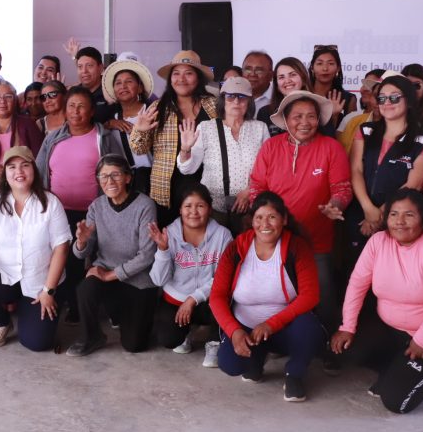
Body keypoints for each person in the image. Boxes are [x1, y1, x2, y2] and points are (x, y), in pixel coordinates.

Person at [248, 90, 351, 372]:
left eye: (311, 116)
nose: (304, 122)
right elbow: (257, 185)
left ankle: (332, 346)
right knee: (280, 295)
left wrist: (335, 204)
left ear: (319, 119)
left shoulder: (331, 148)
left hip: (318, 240)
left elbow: (342, 187)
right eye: (297, 116)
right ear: (285, 120)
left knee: (325, 295)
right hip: (275, 241)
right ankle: (282, 344)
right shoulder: (270, 147)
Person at [331, 189, 423, 413]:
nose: (399, 221)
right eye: (393, 214)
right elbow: (357, 285)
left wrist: (422, 339)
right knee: (348, 349)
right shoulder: (378, 242)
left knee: (395, 402)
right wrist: (347, 327)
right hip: (393, 330)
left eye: (409, 215)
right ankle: (403, 370)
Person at [210, 191, 324, 402]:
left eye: (272, 216)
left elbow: (310, 296)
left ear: (284, 220)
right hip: (247, 330)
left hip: (285, 329)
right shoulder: (235, 248)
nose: (266, 223)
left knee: (309, 328)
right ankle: (257, 359)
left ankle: (295, 373)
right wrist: (234, 332)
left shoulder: (296, 247)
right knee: (230, 364)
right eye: (259, 217)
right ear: (251, 221)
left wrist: (271, 325)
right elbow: (216, 296)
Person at [0, 146, 71, 350]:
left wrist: (49, 291)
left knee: (38, 343)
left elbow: (62, 248)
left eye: (25, 165)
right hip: (3, 275)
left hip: (39, 280)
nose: (19, 172)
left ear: (34, 168)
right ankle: (3, 322)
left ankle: (33, 315)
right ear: (5, 173)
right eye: (12, 167)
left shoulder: (51, 202)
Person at [36, 86, 124, 322]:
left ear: (92, 110)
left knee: (100, 258)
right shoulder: (52, 138)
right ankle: (74, 307)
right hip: (60, 212)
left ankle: (109, 309)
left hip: (96, 212)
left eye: (81, 106)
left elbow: (119, 170)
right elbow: (40, 172)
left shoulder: (104, 138)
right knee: (69, 260)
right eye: (71, 106)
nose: (76, 111)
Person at [66, 154, 158, 356]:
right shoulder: (96, 206)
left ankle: (129, 317)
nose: (109, 181)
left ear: (128, 177)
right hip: (106, 271)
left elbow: (147, 255)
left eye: (115, 175)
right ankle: (92, 337)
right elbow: (81, 254)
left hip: (138, 279)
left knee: (135, 345)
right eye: (104, 176)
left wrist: (109, 275)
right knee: (85, 288)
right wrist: (81, 242)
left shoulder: (145, 206)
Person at [346, 74, 423, 266]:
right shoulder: (365, 130)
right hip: (360, 214)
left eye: (394, 97)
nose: (387, 103)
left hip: (398, 221)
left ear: (409, 101)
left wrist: (380, 214)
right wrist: (369, 209)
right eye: (382, 98)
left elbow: (413, 184)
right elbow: (355, 170)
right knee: (355, 274)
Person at [129, 50, 219, 225]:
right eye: (176, 74)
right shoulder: (158, 107)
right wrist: (140, 130)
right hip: (167, 189)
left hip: (208, 186)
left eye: (189, 73)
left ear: (199, 77)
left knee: (205, 243)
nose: (181, 79)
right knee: (169, 243)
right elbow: (138, 149)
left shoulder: (213, 105)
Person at [149, 183, 232, 366]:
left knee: (224, 301)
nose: (194, 211)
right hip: (175, 299)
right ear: (180, 209)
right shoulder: (168, 234)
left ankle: (214, 342)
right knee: (168, 340)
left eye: (200, 206)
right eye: (188, 206)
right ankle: (185, 332)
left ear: (209, 209)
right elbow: (158, 280)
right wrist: (163, 250)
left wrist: (193, 298)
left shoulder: (222, 236)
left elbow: (223, 278)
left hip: (208, 300)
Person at [176, 76, 270, 232]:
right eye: (231, 96)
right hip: (214, 208)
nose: (236, 101)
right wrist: (185, 149)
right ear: (223, 100)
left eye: (242, 97)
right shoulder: (206, 128)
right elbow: (188, 169)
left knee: (244, 252)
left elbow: (268, 168)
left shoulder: (260, 128)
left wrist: (250, 191)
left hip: (249, 207)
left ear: (249, 101)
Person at [100, 59, 156, 193]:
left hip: (154, 179)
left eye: (129, 81)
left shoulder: (152, 112)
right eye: (118, 83)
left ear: (140, 88)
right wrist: (108, 124)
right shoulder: (111, 118)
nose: (123, 86)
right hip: (124, 182)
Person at [256, 57, 313, 137]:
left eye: (292, 75)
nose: (287, 81)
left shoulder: (318, 108)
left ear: (303, 79)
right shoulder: (265, 113)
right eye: (281, 77)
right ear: (277, 85)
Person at [337, 69, 385, 153]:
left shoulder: (406, 128)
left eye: (381, 96)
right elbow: (338, 152)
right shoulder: (353, 121)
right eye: (376, 95)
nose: (364, 89)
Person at [308, 45, 356, 123]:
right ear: (312, 68)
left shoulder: (348, 99)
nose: (325, 68)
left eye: (330, 63)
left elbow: (350, 132)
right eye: (320, 63)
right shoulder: (302, 94)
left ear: (338, 68)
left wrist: (334, 116)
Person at [74, 46, 107, 112]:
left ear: (100, 68)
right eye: (80, 67)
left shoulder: (110, 94)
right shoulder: (73, 94)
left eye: (89, 66)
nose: (84, 71)